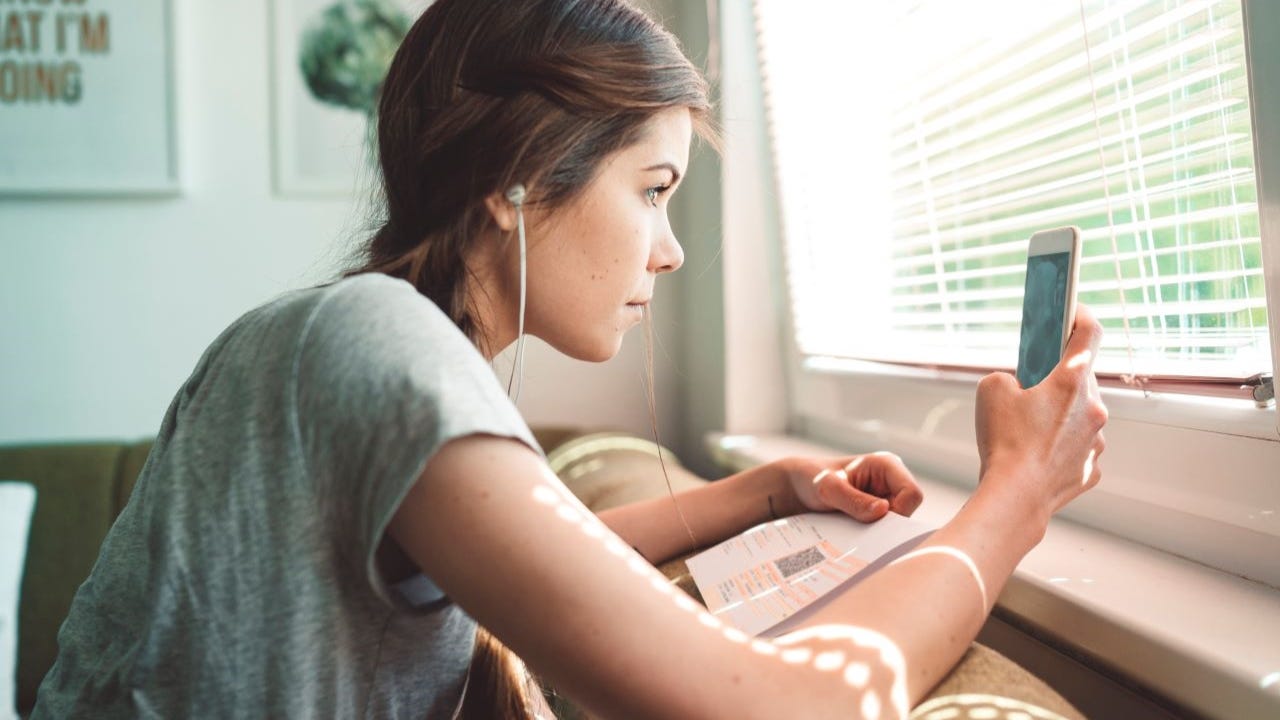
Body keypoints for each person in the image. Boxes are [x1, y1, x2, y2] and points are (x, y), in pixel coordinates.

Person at [31, 0, 1108, 718]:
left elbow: (538, 554)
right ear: (520, 178)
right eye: (652, 190)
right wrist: (1015, 494)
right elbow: (783, 709)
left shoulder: (359, 340)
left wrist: (769, 487)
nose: (671, 247)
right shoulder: (376, 343)